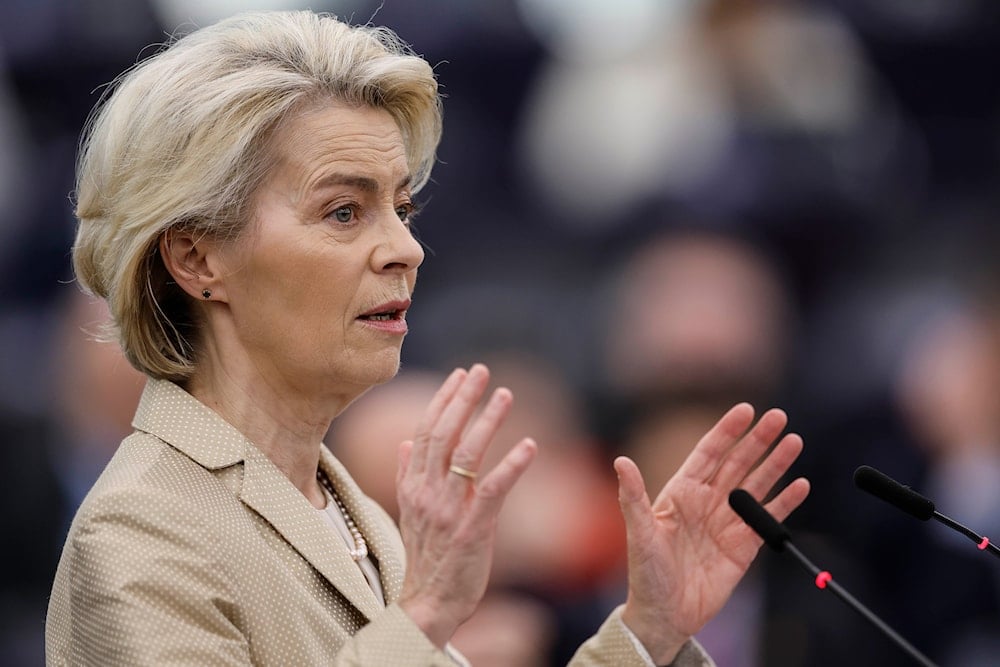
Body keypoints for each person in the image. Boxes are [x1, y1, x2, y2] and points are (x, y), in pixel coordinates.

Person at [46, 10, 810, 666]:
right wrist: (424, 614)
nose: (405, 249)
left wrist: (649, 631)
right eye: (344, 211)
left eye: (400, 210)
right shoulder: (140, 531)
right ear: (196, 257)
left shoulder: (357, 514)